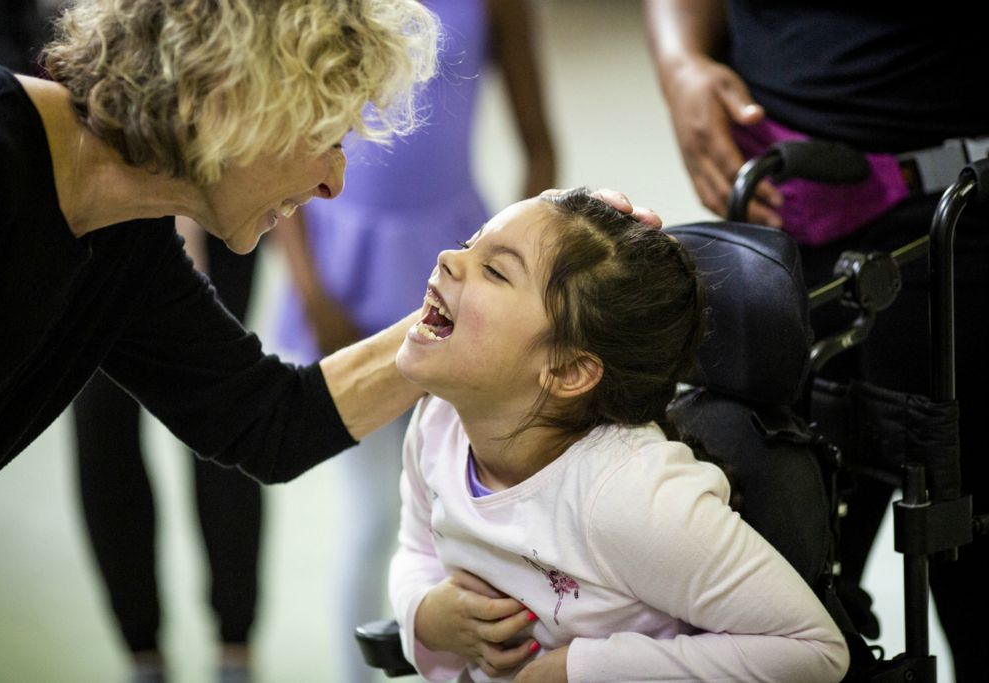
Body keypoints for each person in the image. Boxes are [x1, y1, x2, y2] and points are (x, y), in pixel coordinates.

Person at [0, 0, 440, 500]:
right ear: (234, 95)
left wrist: (456, 318)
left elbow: (266, 422)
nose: (333, 183)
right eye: (326, 136)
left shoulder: (125, 237)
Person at [642, 2, 989, 680]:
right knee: (765, 597)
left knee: (974, 581)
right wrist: (679, 61)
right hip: (772, 231)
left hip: (958, 216)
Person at [387, 188, 850, 682]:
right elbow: (416, 548)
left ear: (567, 370)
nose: (448, 258)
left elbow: (813, 650)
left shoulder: (632, 497)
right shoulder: (439, 423)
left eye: (495, 270)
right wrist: (424, 612)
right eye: (468, 244)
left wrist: (581, 670)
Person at [271, 1, 556, 681]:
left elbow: (539, 144)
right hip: (342, 276)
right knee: (377, 516)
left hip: (461, 275)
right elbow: (279, 139)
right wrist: (313, 293)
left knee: (469, 515)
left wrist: (525, 279)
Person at [71, 217, 264, 683]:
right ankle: (143, 655)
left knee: (221, 414)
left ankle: (234, 652)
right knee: (103, 429)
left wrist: (182, 225)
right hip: (95, 214)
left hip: (208, 190)